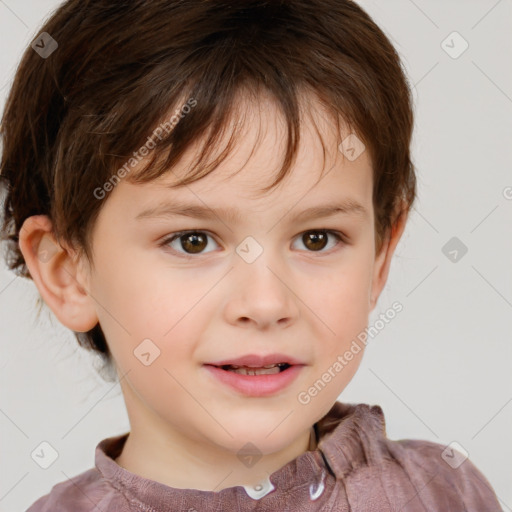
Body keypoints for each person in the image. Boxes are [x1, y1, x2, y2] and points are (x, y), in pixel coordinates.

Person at [0, 0, 503, 510]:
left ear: (380, 257)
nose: (265, 304)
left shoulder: (445, 494)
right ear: (68, 274)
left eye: (317, 239)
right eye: (192, 241)